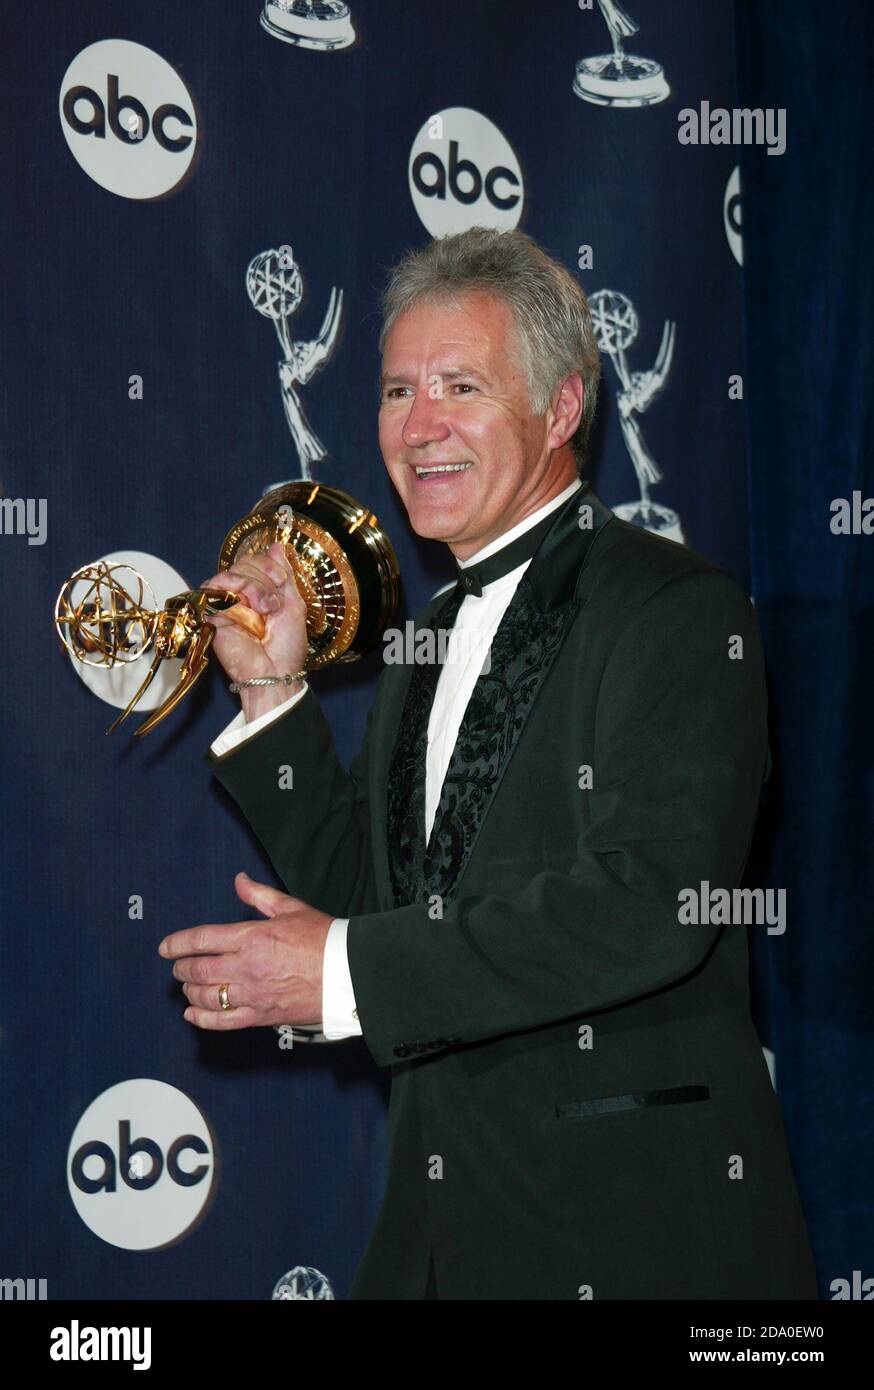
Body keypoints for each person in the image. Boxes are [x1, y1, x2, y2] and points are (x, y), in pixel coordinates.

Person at [158, 227, 818, 1300]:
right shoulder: (424, 649)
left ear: (561, 410)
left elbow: (650, 901)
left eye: (458, 386)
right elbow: (371, 901)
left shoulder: (678, 611)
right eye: (394, 391)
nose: (416, 428)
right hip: (438, 1239)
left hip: (634, 1242)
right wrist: (273, 692)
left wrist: (340, 973)